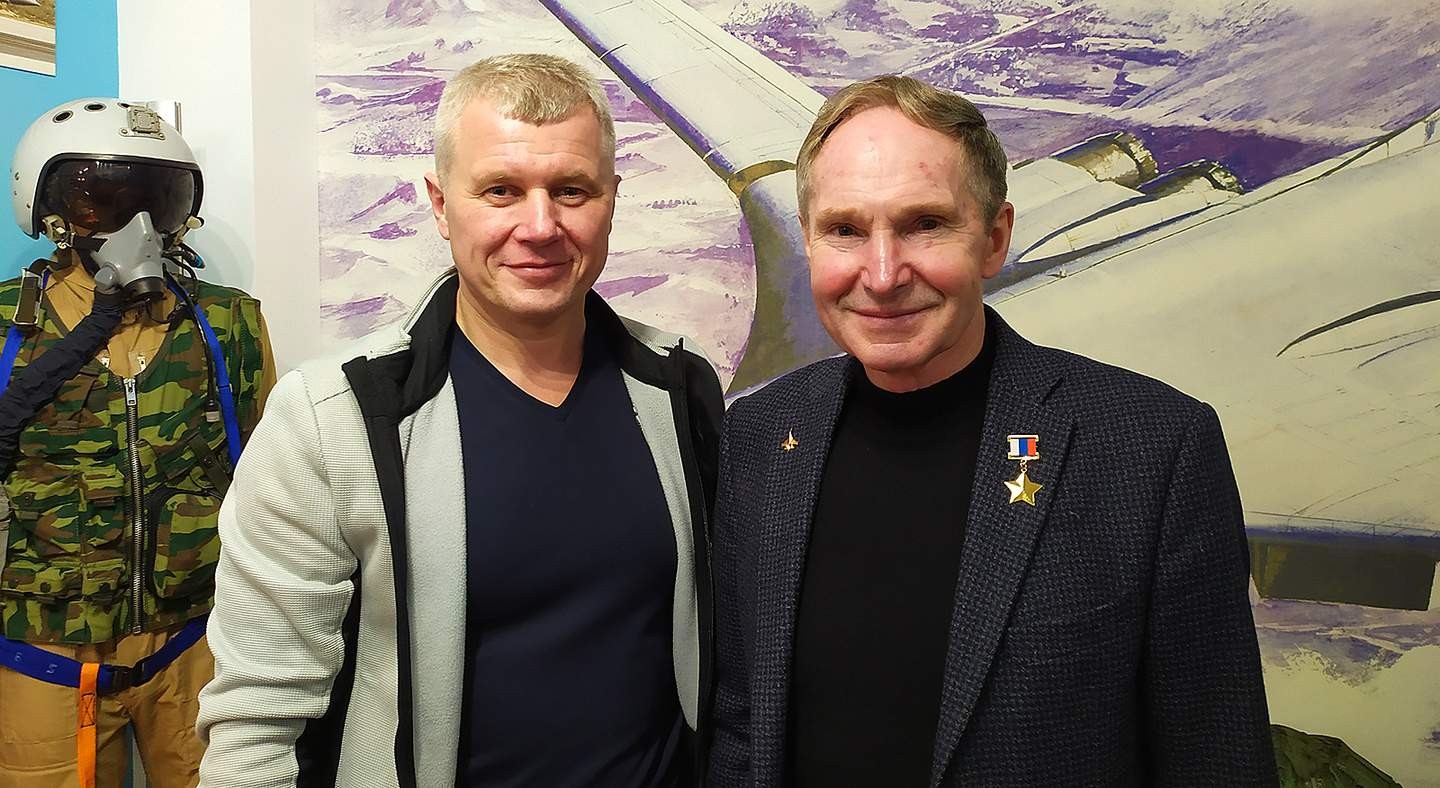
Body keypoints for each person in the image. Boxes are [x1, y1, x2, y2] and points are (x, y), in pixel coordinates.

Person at [707, 75, 1277, 787]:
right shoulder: (761, 436)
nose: (882, 275)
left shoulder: (1152, 449)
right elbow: (742, 726)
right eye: (845, 230)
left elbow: (1216, 755)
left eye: (925, 224)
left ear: (994, 239)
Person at [197, 54, 723, 787]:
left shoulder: (679, 387)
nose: (539, 226)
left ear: (611, 200)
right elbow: (258, 719)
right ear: (441, 205)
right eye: (501, 190)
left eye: (571, 190)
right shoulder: (332, 418)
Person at [0, 98, 274, 788]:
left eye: (159, 200)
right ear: (49, 209)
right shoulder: (7, 329)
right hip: (45, 652)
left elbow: (270, 481)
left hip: (194, 644)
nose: (139, 227)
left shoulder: (226, 324)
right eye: (105, 200)